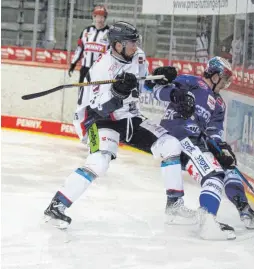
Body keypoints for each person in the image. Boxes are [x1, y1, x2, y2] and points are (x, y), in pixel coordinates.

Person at [44, 21, 196, 229]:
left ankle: (174, 205)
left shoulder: (138, 55)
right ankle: (56, 206)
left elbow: (145, 84)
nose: (135, 46)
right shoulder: (102, 68)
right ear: (117, 45)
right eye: (130, 42)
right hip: (97, 119)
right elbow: (100, 108)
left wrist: (161, 77)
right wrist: (119, 92)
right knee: (99, 161)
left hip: (128, 117)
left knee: (170, 145)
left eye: (135, 42)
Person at [147, 57, 254, 240]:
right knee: (213, 175)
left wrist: (221, 149)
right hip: (178, 135)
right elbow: (155, 89)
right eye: (224, 78)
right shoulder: (193, 82)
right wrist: (164, 83)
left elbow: (214, 131)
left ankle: (244, 208)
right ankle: (208, 221)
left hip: (196, 141)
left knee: (227, 167)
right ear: (214, 75)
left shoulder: (219, 104)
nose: (226, 83)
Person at [69, 5, 110, 105]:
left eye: (102, 17)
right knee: (82, 96)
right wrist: (73, 64)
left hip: (100, 71)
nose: (99, 19)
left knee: (97, 97)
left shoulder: (109, 33)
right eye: (97, 16)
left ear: (105, 18)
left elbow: (112, 53)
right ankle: (82, 118)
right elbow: (80, 48)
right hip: (85, 69)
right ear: (94, 17)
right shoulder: (86, 31)